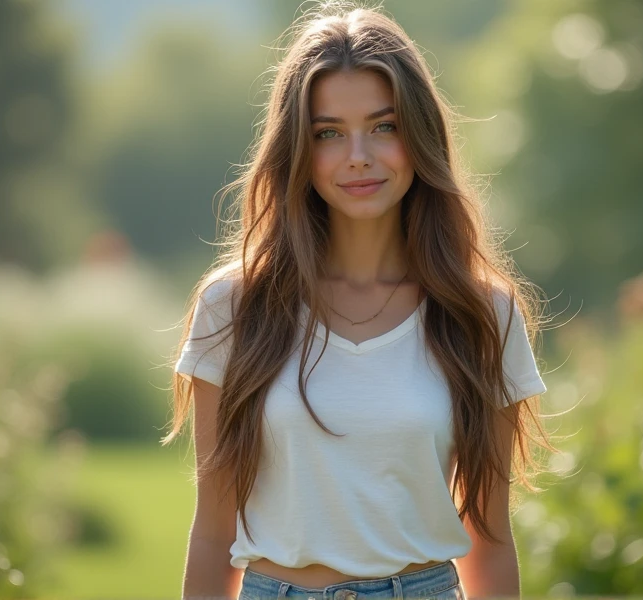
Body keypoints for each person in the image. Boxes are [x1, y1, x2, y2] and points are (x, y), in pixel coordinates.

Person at [166, 2, 558, 598]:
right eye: (329, 133)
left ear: (419, 135)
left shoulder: (482, 314)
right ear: (298, 149)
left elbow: (492, 538)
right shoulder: (234, 306)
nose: (358, 156)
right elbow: (213, 532)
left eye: (384, 126)